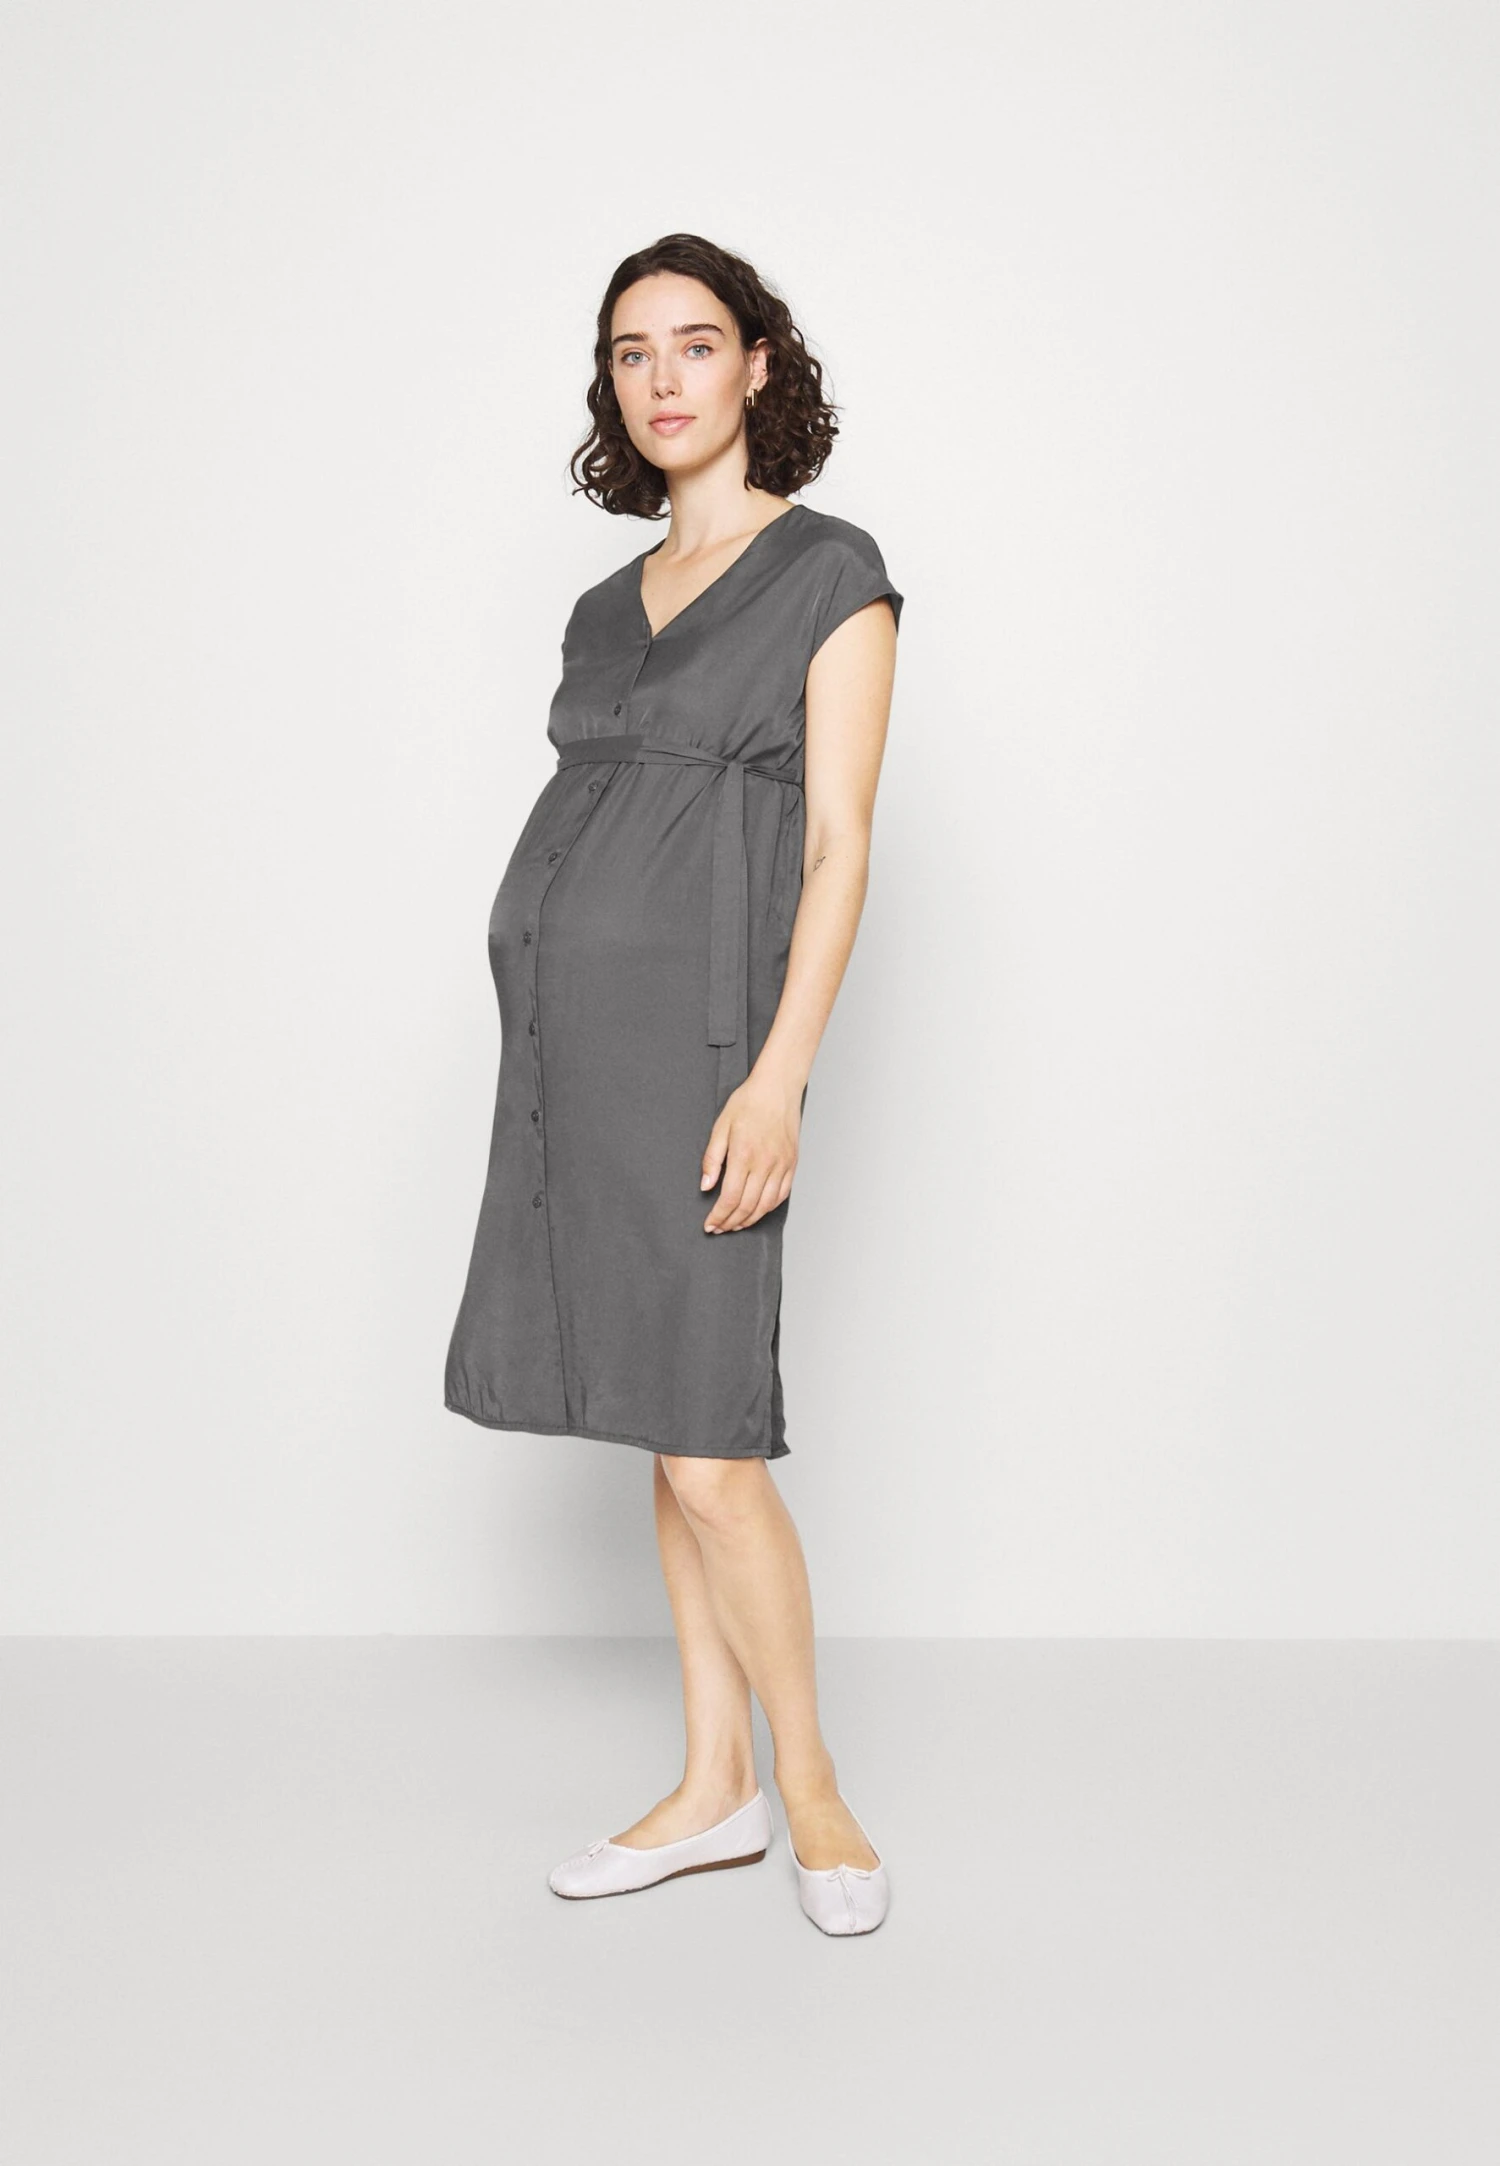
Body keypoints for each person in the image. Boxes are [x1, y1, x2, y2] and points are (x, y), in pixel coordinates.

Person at [443, 233, 902, 1936]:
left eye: (696, 344)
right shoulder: (599, 605)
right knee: (664, 1415)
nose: (663, 378)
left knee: (713, 1442)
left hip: (711, 1051)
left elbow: (840, 845)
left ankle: (813, 1789)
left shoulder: (831, 571)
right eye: (632, 351)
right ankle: (713, 1786)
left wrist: (779, 1075)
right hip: (574, 1054)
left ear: (759, 364)